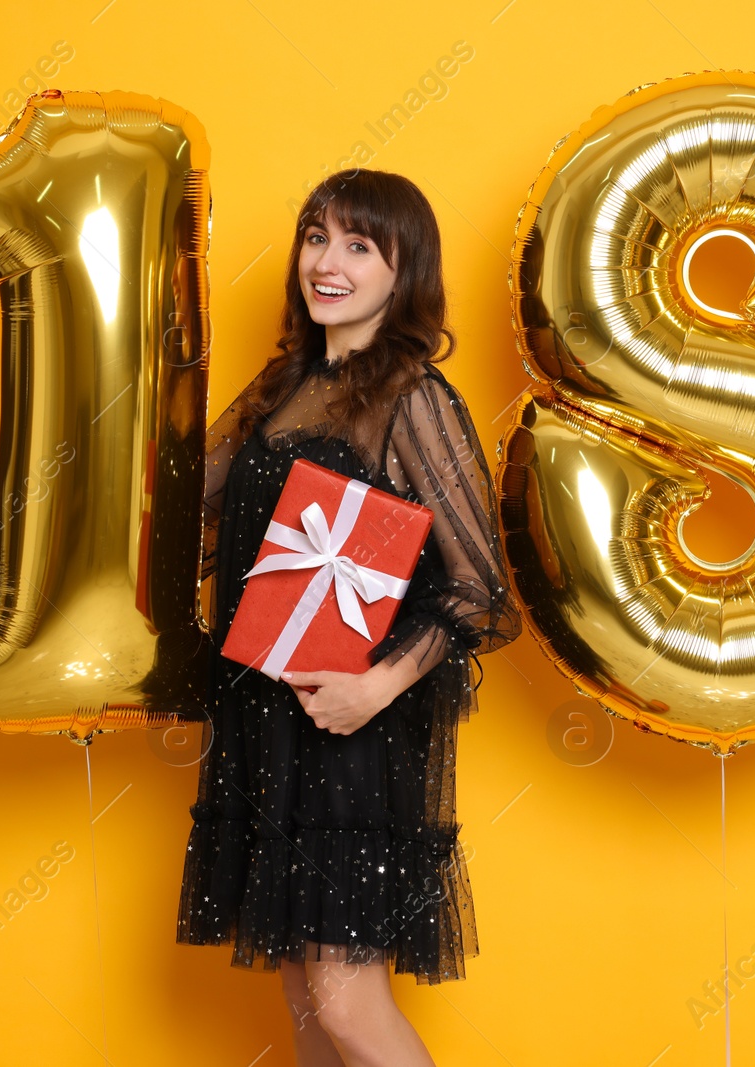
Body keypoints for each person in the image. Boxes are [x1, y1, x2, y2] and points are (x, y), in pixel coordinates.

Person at [175, 168, 522, 1066]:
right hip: (265, 722)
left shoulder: (412, 396)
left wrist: (377, 686)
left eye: (359, 246)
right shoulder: (279, 385)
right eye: (317, 237)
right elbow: (183, 509)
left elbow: (481, 588)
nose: (327, 263)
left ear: (403, 272)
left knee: (347, 1003)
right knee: (306, 1001)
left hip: (352, 730)